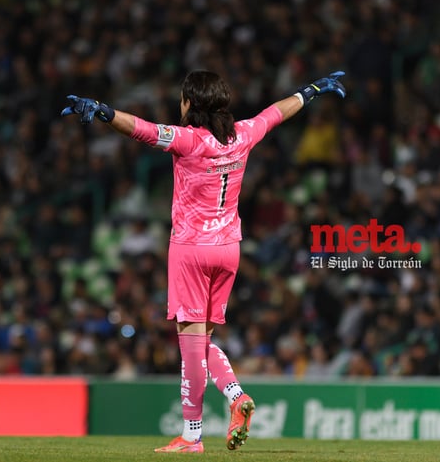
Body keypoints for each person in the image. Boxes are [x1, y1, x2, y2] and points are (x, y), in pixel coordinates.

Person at [61, 70, 347, 453]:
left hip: (191, 249)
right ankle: (235, 396)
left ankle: (193, 434)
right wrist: (310, 91)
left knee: (191, 345)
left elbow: (142, 130)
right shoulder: (242, 134)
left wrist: (102, 111)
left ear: (190, 104)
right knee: (204, 340)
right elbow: (276, 112)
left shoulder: (188, 140)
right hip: (229, 248)